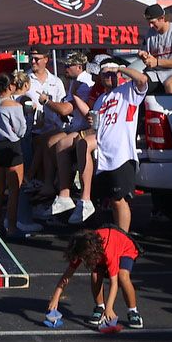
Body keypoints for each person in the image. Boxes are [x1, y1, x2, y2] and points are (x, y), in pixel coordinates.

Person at [71, 57, 154, 232]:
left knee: (119, 199)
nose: (109, 76)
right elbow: (96, 123)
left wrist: (121, 69)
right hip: (103, 157)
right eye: (105, 74)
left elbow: (142, 80)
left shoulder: (128, 90)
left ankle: (123, 238)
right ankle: (114, 236)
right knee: (109, 200)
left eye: (112, 73)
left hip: (122, 155)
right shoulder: (101, 98)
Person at [45, 227, 142, 331]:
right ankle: (100, 307)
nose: (82, 260)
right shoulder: (82, 248)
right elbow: (67, 275)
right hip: (100, 251)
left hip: (124, 249)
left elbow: (114, 283)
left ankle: (133, 311)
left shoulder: (108, 252)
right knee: (95, 274)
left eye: (83, 258)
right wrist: (55, 297)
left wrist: (110, 308)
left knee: (123, 276)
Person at [41, 51, 99, 220]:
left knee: (57, 143)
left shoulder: (83, 83)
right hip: (75, 125)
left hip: (86, 128)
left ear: (79, 67)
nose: (64, 68)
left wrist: (46, 102)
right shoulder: (74, 82)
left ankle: (62, 190)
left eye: (68, 65)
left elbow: (66, 108)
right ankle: (49, 185)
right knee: (46, 141)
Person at [0, 72, 36, 236]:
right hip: (12, 146)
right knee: (15, 190)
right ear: (9, 87)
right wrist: (29, 115)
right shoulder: (14, 106)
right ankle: (12, 227)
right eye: (13, 84)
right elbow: (22, 131)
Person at [24, 46, 66, 186]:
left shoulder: (56, 81)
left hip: (53, 129)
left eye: (37, 59)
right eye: (31, 58)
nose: (33, 61)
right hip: (32, 131)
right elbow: (15, 100)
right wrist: (26, 106)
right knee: (41, 171)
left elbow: (62, 105)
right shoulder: (25, 80)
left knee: (50, 168)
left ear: (46, 59)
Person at [139, 4, 172, 94]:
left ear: (162, 18)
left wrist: (157, 62)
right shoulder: (150, 33)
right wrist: (143, 55)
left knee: (170, 85)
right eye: (148, 22)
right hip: (155, 73)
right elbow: (145, 54)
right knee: (138, 82)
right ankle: (142, 108)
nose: (150, 25)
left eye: (152, 22)